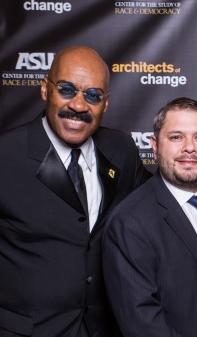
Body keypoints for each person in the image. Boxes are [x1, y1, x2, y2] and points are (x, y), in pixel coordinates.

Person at [0, 46, 151, 337]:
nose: (79, 106)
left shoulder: (122, 151)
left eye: (93, 95)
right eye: (67, 89)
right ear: (45, 89)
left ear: (105, 103)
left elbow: (158, 200)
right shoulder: (6, 155)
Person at [103, 97, 197, 337]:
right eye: (176, 137)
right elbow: (144, 327)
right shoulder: (129, 223)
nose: (189, 147)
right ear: (155, 146)